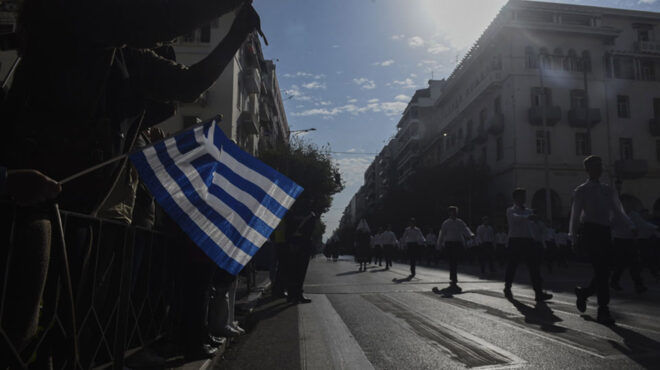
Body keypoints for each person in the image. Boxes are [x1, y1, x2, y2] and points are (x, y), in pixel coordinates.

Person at [570, 156, 633, 325]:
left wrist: (630, 226)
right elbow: (575, 216)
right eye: (594, 166)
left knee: (605, 270)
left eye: (600, 166)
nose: (598, 169)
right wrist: (573, 237)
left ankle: (584, 293)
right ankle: (603, 309)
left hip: (605, 232)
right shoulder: (581, 190)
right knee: (601, 269)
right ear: (587, 169)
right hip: (590, 232)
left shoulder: (608, 189)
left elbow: (618, 211)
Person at [504, 188, 553, 302]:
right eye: (521, 196)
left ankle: (539, 292)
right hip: (515, 240)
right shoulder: (510, 210)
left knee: (534, 267)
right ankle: (507, 286)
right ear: (515, 198)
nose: (524, 199)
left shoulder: (529, 211)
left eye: (524, 196)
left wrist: (539, 220)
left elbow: (538, 225)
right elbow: (515, 219)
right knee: (512, 265)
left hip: (528, 240)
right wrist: (528, 217)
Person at [437, 207, 474, 293]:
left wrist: (471, 235)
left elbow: (466, 229)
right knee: (451, 261)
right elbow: (441, 234)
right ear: (449, 213)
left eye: (455, 212)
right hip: (449, 244)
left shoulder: (460, 222)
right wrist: (439, 244)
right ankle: (453, 279)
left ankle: (453, 278)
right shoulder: (446, 223)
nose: (453, 213)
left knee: (455, 261)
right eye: (452, 212)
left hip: (457, 244)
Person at [610, 207, 646, 293]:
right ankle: (615, 282)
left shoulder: (634, 214)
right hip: (619, 240)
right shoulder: (616, 213)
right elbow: (611, 226)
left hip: (629, 241)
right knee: (621, 264)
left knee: (633, 263)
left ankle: (638, 284)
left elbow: (642, 224)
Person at [287, 210, 318, 304]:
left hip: (292, 243)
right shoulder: (310, 214)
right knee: (300, 271)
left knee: (292, 270)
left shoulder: (291, 211)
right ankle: (297, 295)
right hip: (303, 244)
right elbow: (310, 231)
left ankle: (291, 295)